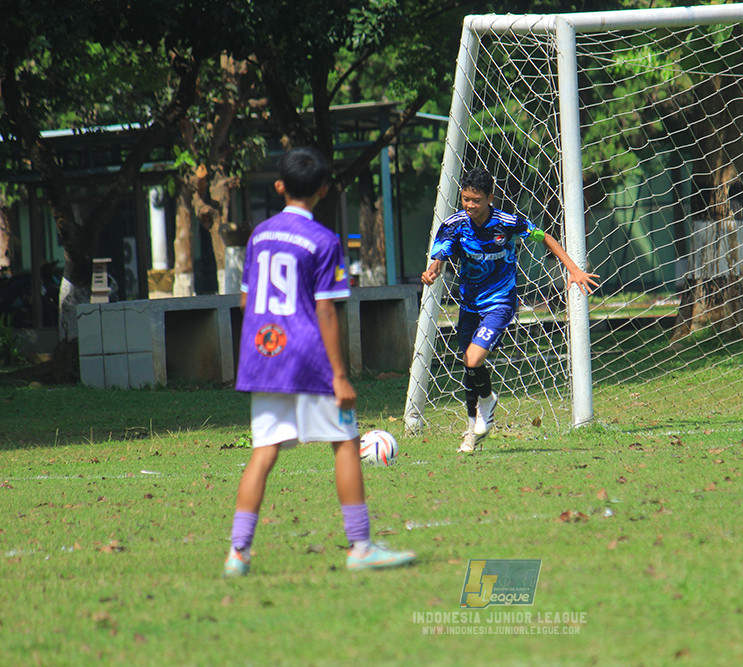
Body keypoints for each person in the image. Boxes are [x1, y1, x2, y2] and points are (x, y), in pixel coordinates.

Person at [224, 146, 415, 577]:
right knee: (346, 444)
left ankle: (238, 552)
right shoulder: (324, 240)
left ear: (279, 187)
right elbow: (327, 311)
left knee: (263, 452)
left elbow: (245, 300)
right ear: (325, 190)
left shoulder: (259, 235)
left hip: (264, 356)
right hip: (308, 359)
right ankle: (361, 546)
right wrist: (340, 376)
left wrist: (258, 350)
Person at [421, 167, 599, 453]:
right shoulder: (454, 224)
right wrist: (432, 272)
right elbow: (439, 258)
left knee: (473, 357)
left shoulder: (508, 222)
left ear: (490, 198)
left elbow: (545, 238)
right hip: (467, 304)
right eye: (466, 199)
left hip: (501, 302)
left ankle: (489, 402)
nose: (470, 205)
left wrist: (574, 269)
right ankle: (472, 430)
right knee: (469, 366)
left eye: (476, 200)